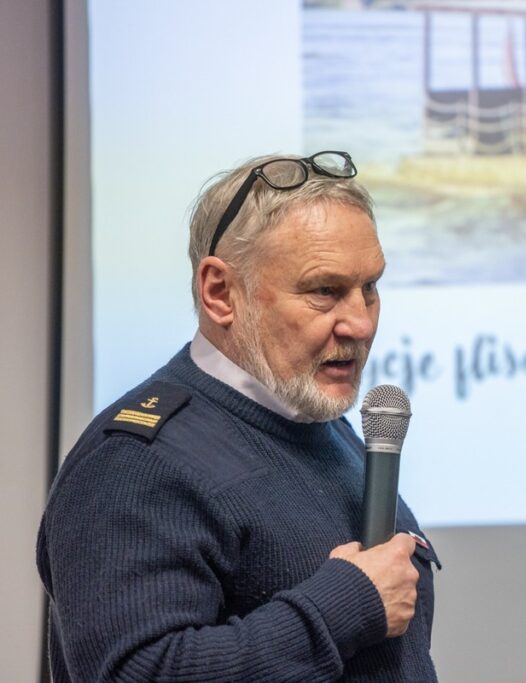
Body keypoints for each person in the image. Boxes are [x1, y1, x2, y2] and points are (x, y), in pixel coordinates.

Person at [36, 151, 441, 682]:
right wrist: (346, 604)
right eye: (325, 291)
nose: (360, 324)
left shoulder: (313, 417)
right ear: (220, 293)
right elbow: (138, 673)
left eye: (370, 288)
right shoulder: (134, 463)